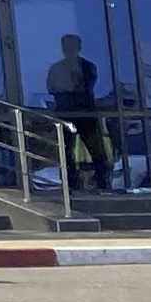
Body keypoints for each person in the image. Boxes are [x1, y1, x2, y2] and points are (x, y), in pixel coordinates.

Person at [46, 34, 113, 192]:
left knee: (96, 150)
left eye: (73, 46)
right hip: (66, 113)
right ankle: (71, 183)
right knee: (66, 150)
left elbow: (85, 86)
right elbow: (53, 88)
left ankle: (102, 182)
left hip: (85, 113)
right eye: (67, 46)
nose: (70, 50)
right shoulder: (57, 68)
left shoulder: (87, 66)